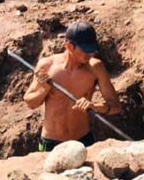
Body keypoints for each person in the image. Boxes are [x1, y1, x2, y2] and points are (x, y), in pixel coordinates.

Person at [23, 21, 122, 151]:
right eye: (86, 50)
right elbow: (30, 102)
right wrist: (44, 89)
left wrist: (95, 107)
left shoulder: (95, 68)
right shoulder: (47, 66)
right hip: (51, 144)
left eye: (92, 49)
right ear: (69, 46)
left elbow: (116, 106)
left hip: (83, 141)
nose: (91, 54)